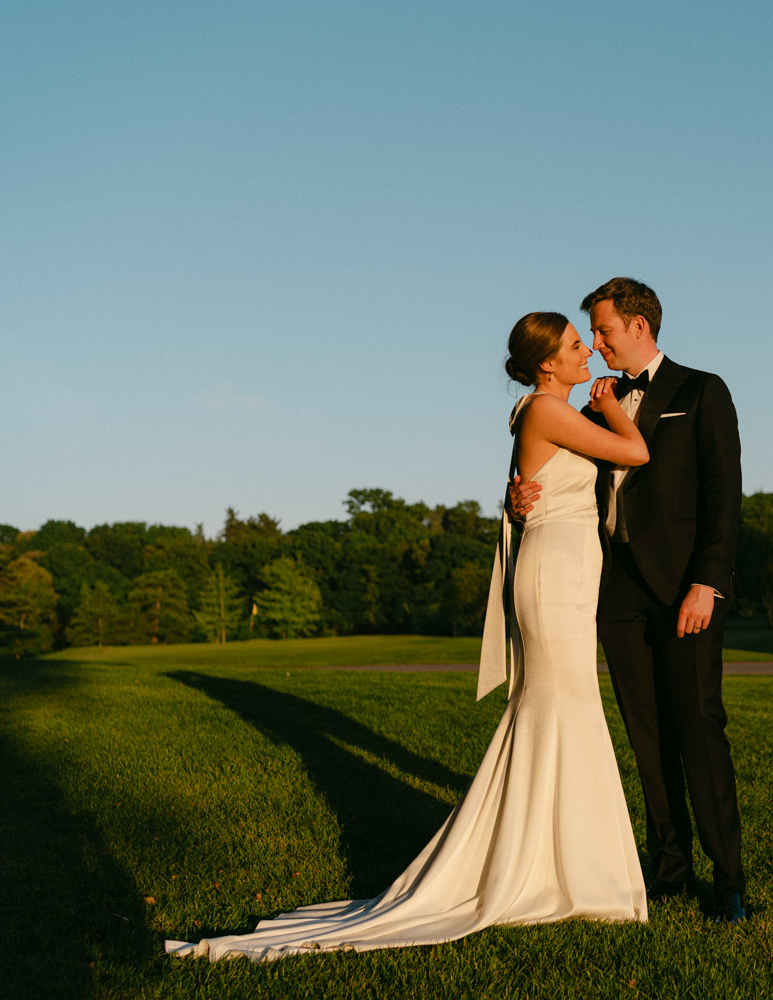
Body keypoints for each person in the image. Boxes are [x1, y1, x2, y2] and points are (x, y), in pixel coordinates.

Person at [166, 312, 650, 961]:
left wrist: (522, 493)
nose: (587, 350)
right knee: (559, 708)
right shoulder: (548, 409)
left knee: (564, 709)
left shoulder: (550, 413)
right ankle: (561, 872)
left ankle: (562, 863)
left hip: (566, 565)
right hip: (554, 570)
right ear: (545, 365)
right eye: (573, 345)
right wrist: (613, 406)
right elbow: (636, 452)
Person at [510, 277, 747, 924]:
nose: (595, 342)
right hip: (615, 594)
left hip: (684, 590)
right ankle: (668, 870)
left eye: (604, 330)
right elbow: (549, 466)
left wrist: (708, 580)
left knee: (698, 730)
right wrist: (515, 495)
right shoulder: (589, 409)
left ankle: (729, 880)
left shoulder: (701, 391)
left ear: (639, 326)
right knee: (647, 739)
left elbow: (724, 495)